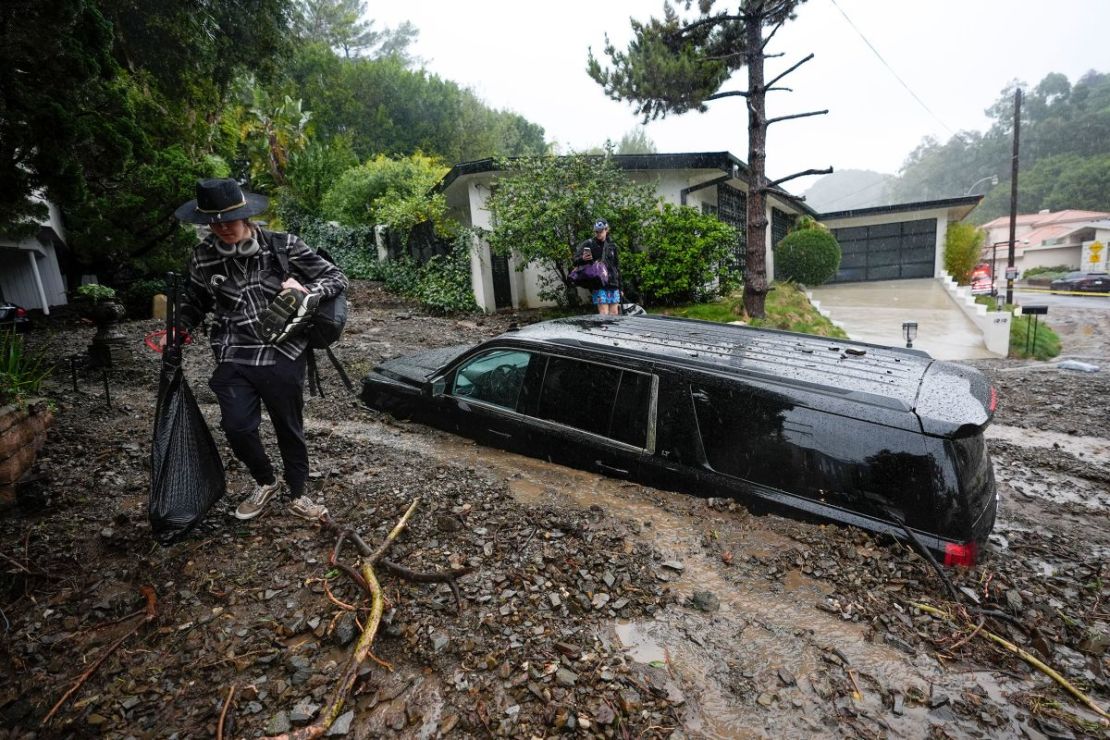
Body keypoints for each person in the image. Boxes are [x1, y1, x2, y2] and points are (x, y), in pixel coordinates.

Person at [171, 178, 348, 521]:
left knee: (288, 427)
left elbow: (336, 278)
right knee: (236, 427)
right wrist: (178, 329)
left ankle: (298, 494)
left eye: (229, 220)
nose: (222, 228)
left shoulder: (284, 246)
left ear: (245, 216)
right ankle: (266, 481)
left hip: (283, 353)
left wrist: (306, 290)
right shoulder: (203, 257)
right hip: (233, 353)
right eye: (214, 222)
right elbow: (194, 301)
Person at [573, 219, 621, 315]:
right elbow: (575, 260)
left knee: (615, 315)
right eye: (596, 231)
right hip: (599, 285)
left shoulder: (612, 245)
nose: (598, 233)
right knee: (604, 314)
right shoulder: (589, 244)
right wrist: (583, 258)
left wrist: (621, 287)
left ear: (606, 230)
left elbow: (617, 267)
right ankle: (604, 330)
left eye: (601, 231)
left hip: (613, 284)